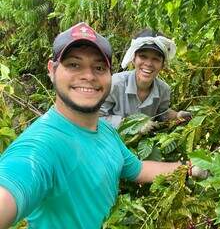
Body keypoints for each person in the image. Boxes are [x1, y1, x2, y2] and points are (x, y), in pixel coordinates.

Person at [0, 22, 207, 229]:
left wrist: (189, 168)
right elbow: (14, 185)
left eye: (99, 67)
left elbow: (139, 168)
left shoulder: (105, 131)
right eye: (74, 64)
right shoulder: (40, 146)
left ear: (108, 74)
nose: (88, 76)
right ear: (52, 70)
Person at [100, 29, 192, 129]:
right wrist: (133, 125)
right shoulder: (114, 83)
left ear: (162, 65)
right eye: (143, 57)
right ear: (134, 59)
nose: (148, 64)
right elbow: (97, 117)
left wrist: (177, 116)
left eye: (156, 59)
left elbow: (161, 114)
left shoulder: (163, 90)